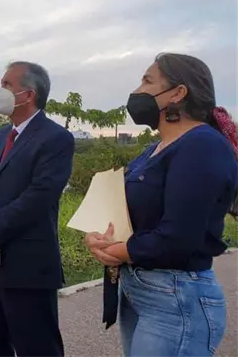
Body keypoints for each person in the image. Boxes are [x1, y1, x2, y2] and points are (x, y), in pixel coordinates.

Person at [84, 53, 238, 357]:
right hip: (139, 290)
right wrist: (98, 238)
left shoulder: (202, 145)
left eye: (147, 81)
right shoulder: (154, 150)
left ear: (178, 93)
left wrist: (115, 251)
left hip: (175, 297)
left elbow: (178, 236)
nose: (138, 90)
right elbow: (130, 216)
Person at [0, 61, 75, 357]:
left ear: (29, 94)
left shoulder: (56, 139)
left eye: (6, 85)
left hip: (28, 268)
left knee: (37, 349)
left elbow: (37, 199)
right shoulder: (0, 137)